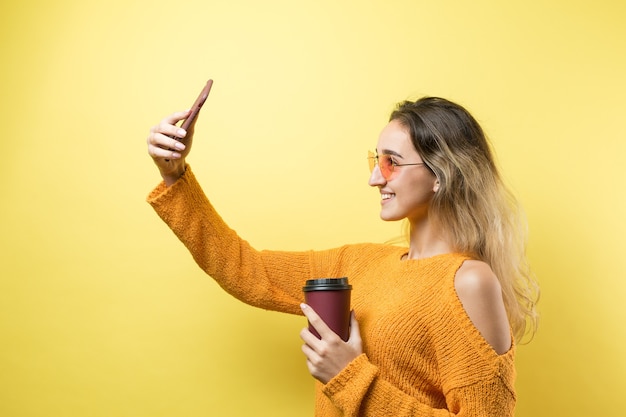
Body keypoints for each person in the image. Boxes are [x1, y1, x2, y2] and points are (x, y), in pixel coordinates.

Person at [146, 95, 539, 416]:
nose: (374, 178)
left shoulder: (469, 281)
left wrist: (349, 377)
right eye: (375, 160)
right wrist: (175, 175)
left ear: (441, 173)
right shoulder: (359, 265)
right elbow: (247, 269)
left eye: (391, 163)